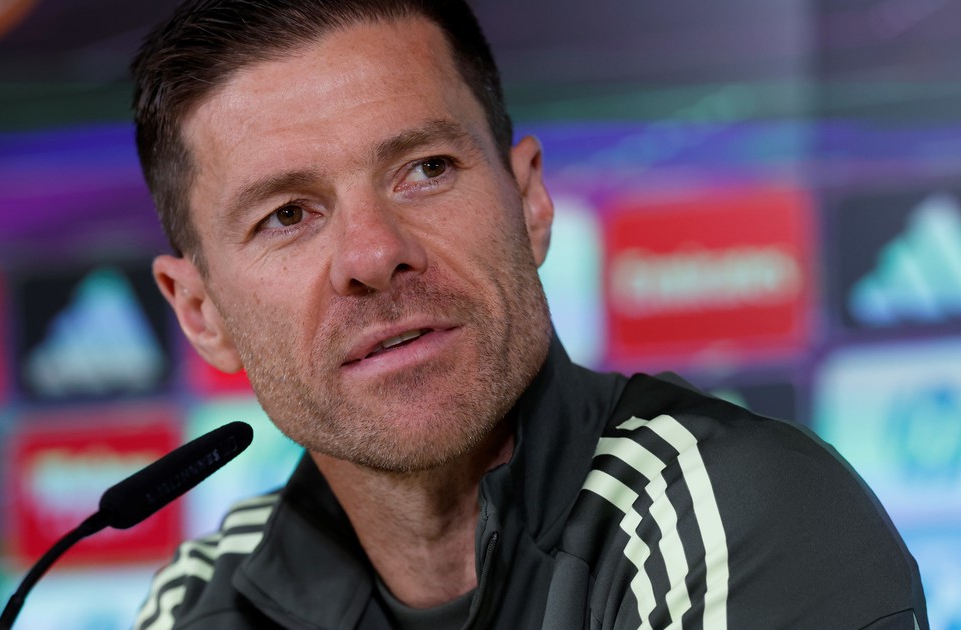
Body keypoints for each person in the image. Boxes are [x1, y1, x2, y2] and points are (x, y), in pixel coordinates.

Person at [128, 1, 929, 628]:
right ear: (201, 312)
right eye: (287, 215)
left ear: (531, 201)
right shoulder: (199, 603)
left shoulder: (737, 511)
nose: (373, 254)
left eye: (425, 169)